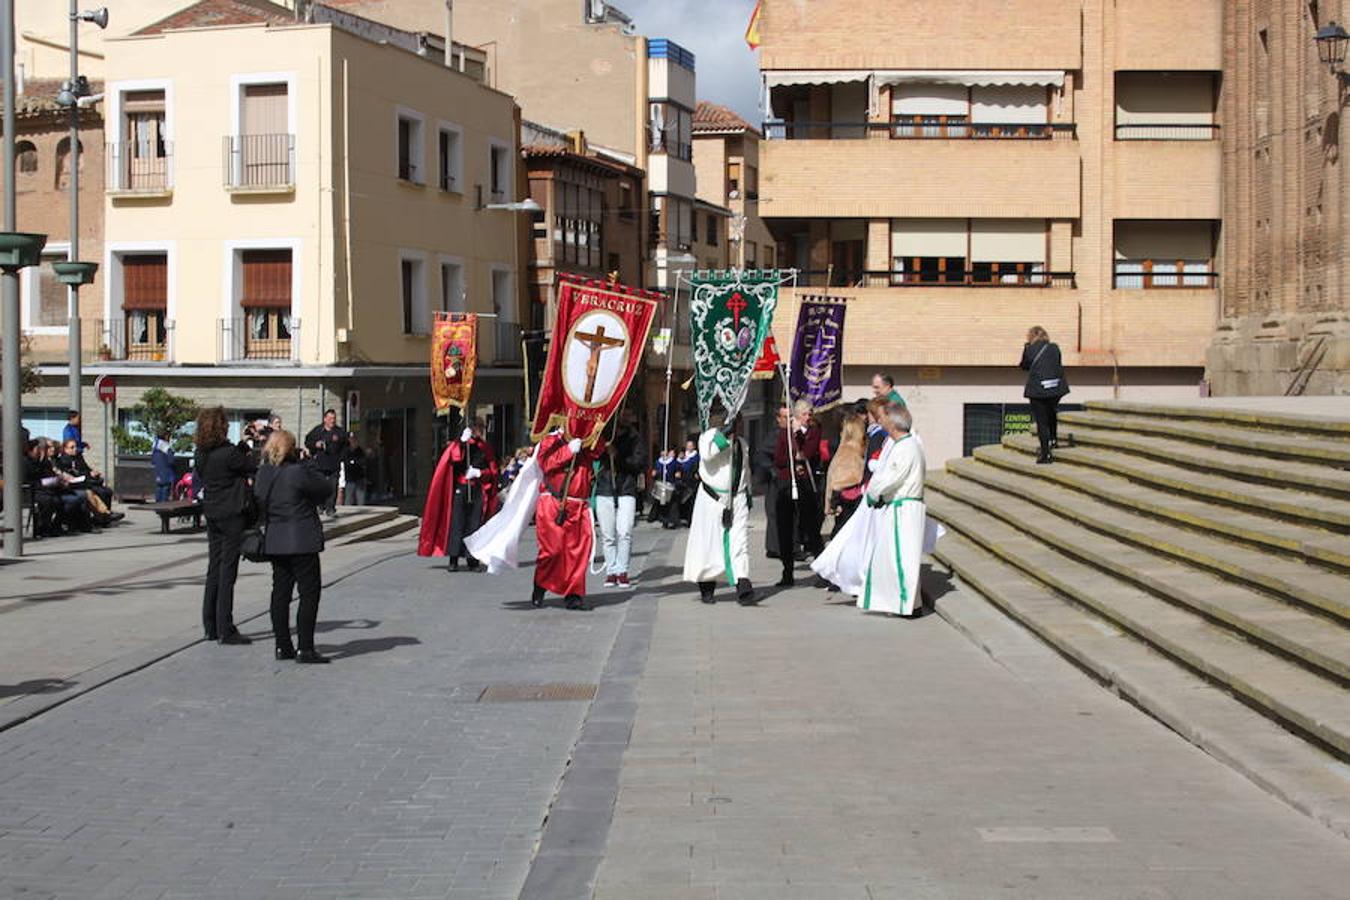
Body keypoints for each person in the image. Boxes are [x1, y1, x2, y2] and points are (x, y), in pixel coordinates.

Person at [254, 429, 333, 664]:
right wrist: (309, 462)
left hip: (276, 540)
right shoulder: (299, 472)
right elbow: (326, 488)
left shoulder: (264, 473)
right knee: (309, 593)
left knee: (280, 593)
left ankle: (282, 645)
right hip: (301, 540)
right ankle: (305, 648)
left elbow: (258, 499)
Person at [857, 402, 927, 616]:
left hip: (903, 509)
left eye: (885, 419)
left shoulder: (906, 447)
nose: (882, 422)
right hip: (901, 507)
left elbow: (890, 478)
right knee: (900, 557)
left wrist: (873, 492)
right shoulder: (904, 445)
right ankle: (908, 603)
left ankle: (904, 603)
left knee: (901, 558)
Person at [195, 406, 257, 645]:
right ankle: (226, 627)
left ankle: (210, 625)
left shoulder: (201, 453)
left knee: (214, 567)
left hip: (212, 512)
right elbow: (249, 466)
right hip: (231, 513)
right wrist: (248, 447)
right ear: (220, 427)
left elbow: (229, 463)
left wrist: (241, 446)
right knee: (228, 570)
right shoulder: (229, 453)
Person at [683, 418, 758, 605]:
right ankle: (707, 586)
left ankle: (743, 584)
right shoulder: (707, 437)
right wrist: (723, 436)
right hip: (712, 499)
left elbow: (745, 470)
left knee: (739, 541)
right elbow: (709, 455)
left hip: (737, 498)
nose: (739, 426)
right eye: (736, 422)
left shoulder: (743, 444)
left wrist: (748, 493)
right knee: (710, 543)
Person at [531, 430, 605, 610]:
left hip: (578, 504)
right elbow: (545, 463)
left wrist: (593, 434)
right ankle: (540, 584)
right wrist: (567, 450)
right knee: (552, 550)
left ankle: (574, 594)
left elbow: (599, 450)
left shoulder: (587, 438)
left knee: (578, 552)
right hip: (553, 502)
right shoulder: (550, 440)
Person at [432, 418, 499, 572]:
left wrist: (480, 473)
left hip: (477, 489)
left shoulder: (485, 447)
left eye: (481, 427)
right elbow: (453, 462)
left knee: (474, 524)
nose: (479, 430)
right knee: (457, 523)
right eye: (476, 427)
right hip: (461, 488)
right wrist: (461, 443)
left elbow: (493, 472)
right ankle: (453, 559)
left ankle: (472, 559)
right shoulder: (459, 445)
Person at [773, 400, 824, 586]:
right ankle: (787, 572)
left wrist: (799, 453)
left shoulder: (813, 431)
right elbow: (779, 458)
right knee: (785, 529)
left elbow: (808, 453)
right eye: (804, 414)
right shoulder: (785, 433)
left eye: (810, 414)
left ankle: (823, 570)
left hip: (806, 486)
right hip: (787, 484)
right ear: (796, 416)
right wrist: (793, 458)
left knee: (811, 528)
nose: (808, 417)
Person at [595, 409, 645, 587]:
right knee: (608, 534)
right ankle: (611, 570)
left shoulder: (635, 437)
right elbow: (593, 454)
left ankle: (622, 570)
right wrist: (604, 447)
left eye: (625, 413)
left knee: (624, 532)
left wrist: (619, 457)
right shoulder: (602, 433)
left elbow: (639, 464)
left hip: (626, 488)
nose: (623, 416)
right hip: (605, 487)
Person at [1020, 326, 1070, 464]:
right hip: (1055, 388)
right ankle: (1053, 439)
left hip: (1038, 390)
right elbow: (1057, 364)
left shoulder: (1030, 349)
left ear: (1031, 336)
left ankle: (1045, 453)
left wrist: (1026, 347)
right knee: (1051, 412)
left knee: (1041, 422)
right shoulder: (1054, 347)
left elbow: (1024, 366)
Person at [53, 438, 121, 526]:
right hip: (78, 484)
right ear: (65, 449)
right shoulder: (63, 460)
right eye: (72, 447)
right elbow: (74, 474)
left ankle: (104, 516)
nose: (75, 449)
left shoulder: (78, 457)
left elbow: (86, 468)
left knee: (106, 491)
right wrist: (89, 474)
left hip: (86, 481)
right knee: (90, 493)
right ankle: (104, 515)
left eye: (76, 447)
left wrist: (92, 472)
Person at [827, 412, 867, 539]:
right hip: (849, 499)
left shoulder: (846, 448)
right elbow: (839, 480)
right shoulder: (850, 451)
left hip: (846, 499)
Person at [757, 406, 788, 559]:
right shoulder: (774, 435)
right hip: (774, 481)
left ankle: (782, 545)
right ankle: (774, 547)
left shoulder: (788, 434)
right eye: (784, 417)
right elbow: (763, 454)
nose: (788, 421)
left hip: (785, 479)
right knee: (774, 513)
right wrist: (772, 470)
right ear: (778, 419)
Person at [303, 409, 344, 517]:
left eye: (334, 418)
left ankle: (330, 508)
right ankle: (320, 506)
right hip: (319, 464)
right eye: (330, 418)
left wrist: (341, 458)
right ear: (325, 419)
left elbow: (345, 447)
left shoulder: (339, 432)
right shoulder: (317, 430)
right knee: (320, 486)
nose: (332, 421)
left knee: (332, 487)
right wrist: (315, 445)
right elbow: (307, 441)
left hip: (333, 465)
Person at [648, 447, 679, 527]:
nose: (663, 453)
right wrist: (654, 474)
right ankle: (664, 520)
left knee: (671, 505)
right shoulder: (658, 462)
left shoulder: (673, 462)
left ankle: (672, 521)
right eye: (662, 452)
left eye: (665, 452)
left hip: (670, 484)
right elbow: (655, 471)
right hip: (661, 484)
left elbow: (678, 471)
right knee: (661, 504)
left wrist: (677, 474)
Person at [672, 437, 700, 526]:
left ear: (694, 447)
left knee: (691, 501)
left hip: (692, 482)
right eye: (688, 446)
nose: (689, 447)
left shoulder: (697, 457)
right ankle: (682, 518)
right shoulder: (683, 456)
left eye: (690, 446)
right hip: (682, 482)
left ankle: (690, 520)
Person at [340, 432, 368, 506]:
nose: (353, 442)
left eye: (354, 440)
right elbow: (345, 462)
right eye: (351, 440)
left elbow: (362, 462)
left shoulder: (360, 451)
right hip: (349, 478)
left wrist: (354, 462)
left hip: (359, 478)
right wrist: (353, 462)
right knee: (348, 499)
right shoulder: (345, 451)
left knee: (361, 499)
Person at [151, 433, 176, 503]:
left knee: (158, 487)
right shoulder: (166, 447)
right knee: (165, 488)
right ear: (166, 436)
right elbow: (171, 460)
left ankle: (158, 504)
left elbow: (153, 461)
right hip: (166, 471)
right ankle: (164, 505)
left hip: (158, 471)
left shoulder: (155, 446)